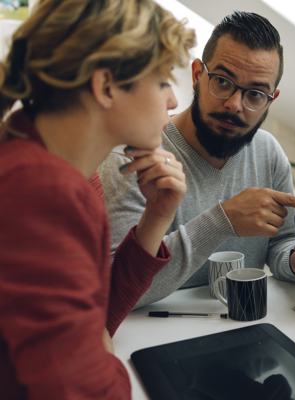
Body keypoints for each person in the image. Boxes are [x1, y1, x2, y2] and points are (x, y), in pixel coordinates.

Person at [0, 0, 195, 398]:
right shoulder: (42, 192)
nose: (173, 101)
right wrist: (105, 357)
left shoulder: (70, 176)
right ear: (106, 85)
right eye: (161, 82)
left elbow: (93, 321)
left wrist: (157, 216)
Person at [100, 11, 295, 308]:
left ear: (271, 99)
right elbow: (117, 290)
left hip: (242, 328)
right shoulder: (135, 158)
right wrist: (222, 221)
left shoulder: (267, 152)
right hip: (146, 338)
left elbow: (281, 242)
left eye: (256, 94)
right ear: (197, 74)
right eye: (222, 82)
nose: (235, 104)